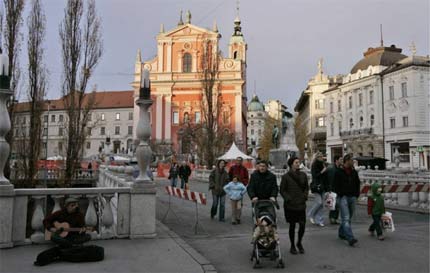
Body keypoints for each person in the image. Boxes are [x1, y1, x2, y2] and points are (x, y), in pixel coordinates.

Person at [280, 156, 309, 254]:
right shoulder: (286, 176)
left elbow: (306, 188)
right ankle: (292, 245)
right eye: (296, 162)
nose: (298, 164)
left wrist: (305, 196)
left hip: (301, 203)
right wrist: (288, 199)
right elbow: (282, 190)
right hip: (290, 205)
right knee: (292, 225)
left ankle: (299, 242)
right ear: (291, 164)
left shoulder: (303, 175)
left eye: (298, 162)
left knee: (302, 225)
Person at [333, 153, 360, 246]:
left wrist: (357, 194)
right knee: (346, 217)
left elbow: (357, 183)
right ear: (347, 161)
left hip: (352, 196)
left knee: (348, 217)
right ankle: (350, 238)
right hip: (343, 197)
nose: (353, 161)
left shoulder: (354, 172)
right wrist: (340, 194)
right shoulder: (339, 172)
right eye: (352, 160)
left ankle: (341, 233)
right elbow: (335, 185)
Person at [308, 152, 328, 226]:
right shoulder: (314, 165)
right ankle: (311, 214)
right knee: (319, 202)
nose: (321, 158)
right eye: (319, 157)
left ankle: (319, 220)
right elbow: (314, 176)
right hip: (316, 186)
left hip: (323, 186)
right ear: (316, 157)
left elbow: (326, 177)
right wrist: (322, 172)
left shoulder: (324, 164)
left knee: (322, 204)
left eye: (322, 156)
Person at [327, 155, 343, 224]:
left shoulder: (339, 167)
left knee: (337, 204)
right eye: (340, 159)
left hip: (338, 188)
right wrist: (329, 189)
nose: (342, 161)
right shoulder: (332, 168)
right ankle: (332, 218)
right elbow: (330, 179)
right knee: (333, 204)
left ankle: (334, 218)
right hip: (333, 188)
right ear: (336, 160)